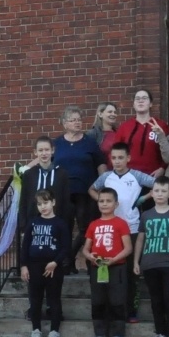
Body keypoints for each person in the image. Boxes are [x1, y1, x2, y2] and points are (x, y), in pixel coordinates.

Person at [91, 142, 156, 322]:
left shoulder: (136, 175)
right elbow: (91, 189)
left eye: (121, 158)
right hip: (112, 230)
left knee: (131, 272)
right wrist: (103, 201)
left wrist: (143, 199)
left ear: (128, 158)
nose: (117, 161)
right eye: (114, 158)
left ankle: (131, 310)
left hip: (133, 228)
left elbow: (157, 185)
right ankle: (113, 311)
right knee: (114, 273)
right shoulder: (106, 177)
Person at [134, 176, 169, 337]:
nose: (160, 194)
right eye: (156, 191)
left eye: (164, 191)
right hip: (150, 265)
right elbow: (140, 240)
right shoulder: (146, 215)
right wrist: (136, 261)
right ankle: (160, 334)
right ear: (152, 193)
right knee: (156, 301)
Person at [52, 105, 106, 258]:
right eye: (73, 120)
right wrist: (25, 169)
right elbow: (44, 160)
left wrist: (103, 186)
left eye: (79, 119)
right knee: (64, 227)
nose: (77, 122)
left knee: (86, 228)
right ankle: (68, 263)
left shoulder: (89, 142)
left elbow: (101, 164)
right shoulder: (57, 144)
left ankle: (69, 257)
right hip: (63, 193)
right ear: (64, 123)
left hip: (86, 192)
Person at [83, 187, 132, 337]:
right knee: (98, 301)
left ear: (116, 204)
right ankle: (99, 333)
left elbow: (128, 248)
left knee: (117, 300)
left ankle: (118, 335)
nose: (104, 204)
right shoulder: (93, 224)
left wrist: (114, 259)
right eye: (101, 201)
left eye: (108, 201)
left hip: (116, 267)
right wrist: (89, 256)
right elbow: (85, 248)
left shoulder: (121, 224)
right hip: (97, 267)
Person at [20, 189, 70, 337]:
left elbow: (66, 247)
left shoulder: (60, 223)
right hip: (34, 265)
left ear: (53, 202)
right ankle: (36, 330)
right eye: (39, 204)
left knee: (53, 299)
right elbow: (25, 245)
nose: (43, 207)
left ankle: (55, 332)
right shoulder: (33, 222)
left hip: (53, 266)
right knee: (35, 300)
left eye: (46, 202)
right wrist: (23, 266)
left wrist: (56, 262)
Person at [106, 89, 167, 178]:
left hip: (153, 177)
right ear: (134, 104)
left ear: (151, 104)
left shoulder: (161, 125)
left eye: (144, 98)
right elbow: (114, 151)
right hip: (128, 177)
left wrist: (162, 168)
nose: (140, 101)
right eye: (137, 98)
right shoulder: (124, 127)